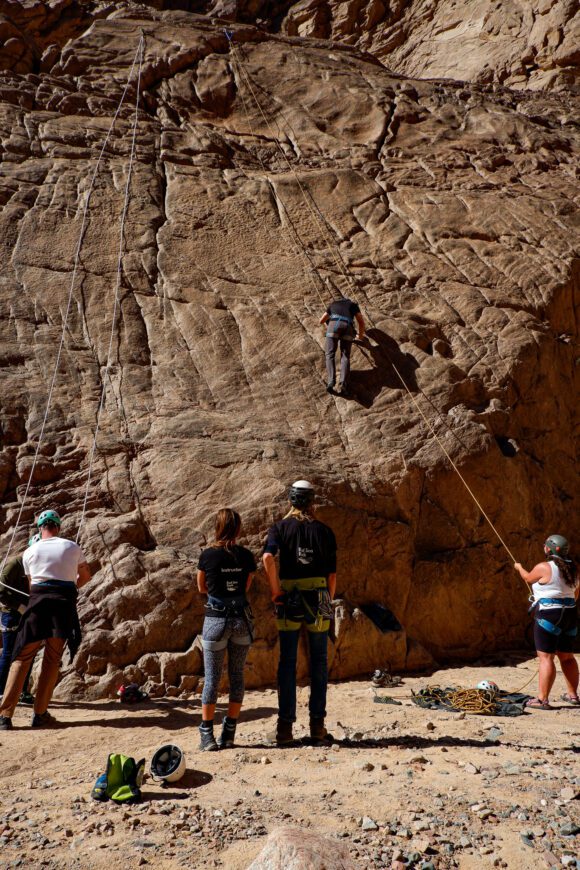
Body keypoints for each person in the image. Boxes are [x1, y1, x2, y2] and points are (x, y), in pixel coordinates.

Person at [0, 509, 90, 730]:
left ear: (40, 528)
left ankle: (4, 716)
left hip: (38, 603)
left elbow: (32, 586)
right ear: (58, 526)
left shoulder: (30, 551)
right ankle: (40, 714)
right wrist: (70, 591)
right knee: (52, 658)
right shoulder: (72, 546)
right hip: (63, 604)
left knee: (22, 656)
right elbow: (86, 576)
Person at [263, 480, 336, 745]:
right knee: (319, 661)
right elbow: (332, 575)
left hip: (289, 598)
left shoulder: (280, 528)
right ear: (312, 501)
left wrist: (275, 591)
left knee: (287, 662)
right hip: (319, 596)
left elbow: (268, 558)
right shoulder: (325, 531)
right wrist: (328, 603)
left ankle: (285, 729)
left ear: (291, 501)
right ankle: (317, 727)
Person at [197, 509, 256, 751]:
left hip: (215, 620)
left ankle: (207, 735)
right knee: (237, 676)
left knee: (212, 678)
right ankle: (229, 732)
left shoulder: (208, 555)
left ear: (217, 528)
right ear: (238, 529)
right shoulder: (245, 556)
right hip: (240, 620)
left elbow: (201, 587)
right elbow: (247, 585)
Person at [514, 534, 579, 709]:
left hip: (550, 614)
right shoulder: (574, 568)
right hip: (570, 614)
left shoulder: (544, 567)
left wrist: (519, 567)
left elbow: (528, 578)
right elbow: (576, 593)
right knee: (566, 657)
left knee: (545, 657)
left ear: (549, 548)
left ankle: (542, 700)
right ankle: (573, 696)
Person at [0, 535, 41, 706]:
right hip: (11, 613)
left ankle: (22, 691)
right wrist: (19, 607)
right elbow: (1, 590)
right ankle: (2, 691)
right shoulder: (15, 564)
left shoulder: (37, 565)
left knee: (27, 652)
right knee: (9, 652)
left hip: (28, 613)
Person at [319, 297, 365, 395]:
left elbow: (321, 320)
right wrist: (360, 337)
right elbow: (361, 321)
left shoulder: (333, 304)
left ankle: (331, 381)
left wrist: (330, 325)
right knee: (345, 356)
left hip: (333, 325)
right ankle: (344, 383)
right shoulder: (353, 305)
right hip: (348, 326)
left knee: (330, 354)